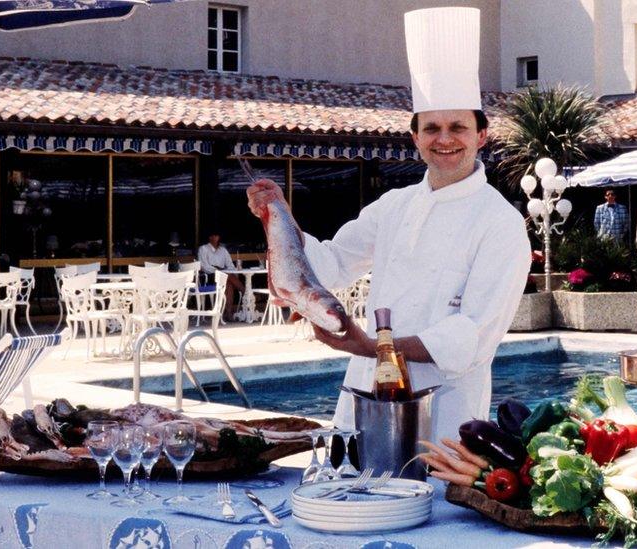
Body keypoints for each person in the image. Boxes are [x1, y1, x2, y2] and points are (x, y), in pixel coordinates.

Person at [245, 7, 530, 442]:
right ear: (415, 137)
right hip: (362, 399)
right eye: (431, 127)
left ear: (481, 135)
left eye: (458, 126)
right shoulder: (394, 205)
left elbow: (471, 337)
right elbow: (333, 264)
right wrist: (279, 217)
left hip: (444, 413)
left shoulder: (502, 224)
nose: (445, 138)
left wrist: (373, 346)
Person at [197, 232, 244, 320]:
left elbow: (230, 265)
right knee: (227, 277)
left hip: (224, 276)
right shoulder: (203, 249)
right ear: (209, 237)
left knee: (229, 282)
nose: (215, 237)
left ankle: (228, 313)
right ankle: (245, 292)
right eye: (213, 235)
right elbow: (204, 266)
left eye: (217, 235)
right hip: (209, 276)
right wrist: (218, 271)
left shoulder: (223, 250)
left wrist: (232, 273)